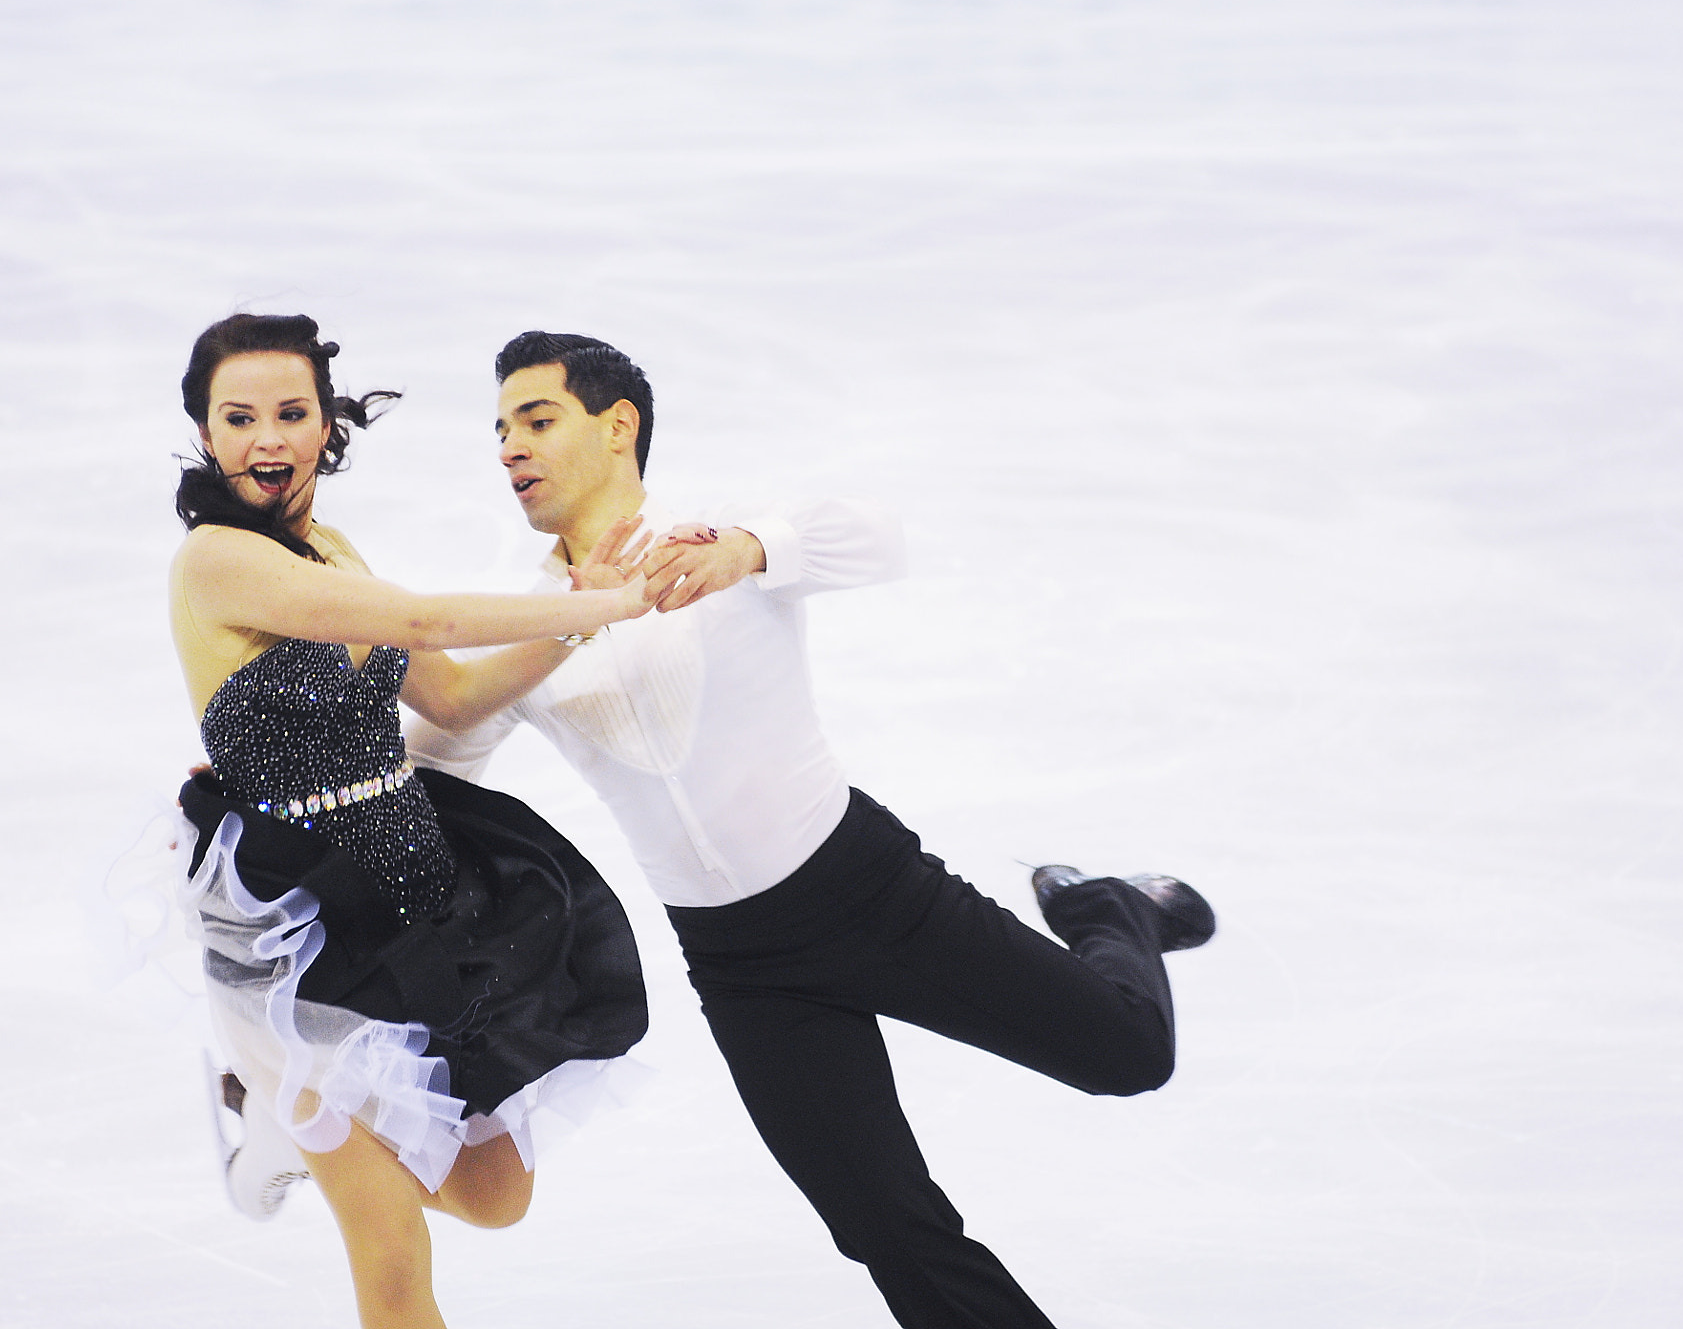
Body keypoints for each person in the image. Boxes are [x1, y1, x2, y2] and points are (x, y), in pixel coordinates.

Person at [404, 330, 1216, 1329]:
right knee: (884, 1223)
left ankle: (1107, 906)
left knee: (1127, 1052)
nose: (509, 449)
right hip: (742, 967)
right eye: (499, 431)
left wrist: (748, 551)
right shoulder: (526, 622)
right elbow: (436, 752)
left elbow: (874, 536)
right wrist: (291, 777)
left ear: (619, 427)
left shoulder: (715, 535)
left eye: (535, 420)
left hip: (870, 897)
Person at [167, 313, 658, 1329]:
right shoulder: (215, 561)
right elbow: (425, 620)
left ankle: (270, 1114)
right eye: (239, 416)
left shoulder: (332, 548)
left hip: (411, 887)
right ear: (205, 431)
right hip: (296, 930)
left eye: (290, 413)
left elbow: (453, 695)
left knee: (493, 1192)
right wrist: (589, 602)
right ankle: (276, 1087)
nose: (267, 438)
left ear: (325, 426)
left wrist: (574, 619)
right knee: (390, 1250)